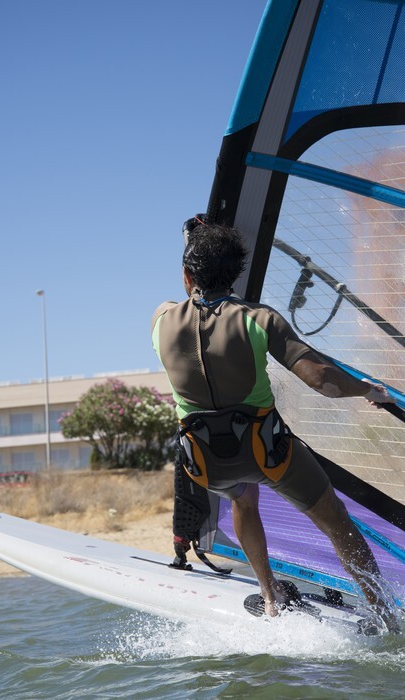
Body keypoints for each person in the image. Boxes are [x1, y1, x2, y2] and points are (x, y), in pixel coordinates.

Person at [151, 216, 401, 634]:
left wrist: (192, 261)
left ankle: (269, 596)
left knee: (242, 499)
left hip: (205, 464)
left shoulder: (161, 320)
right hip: (268, 453)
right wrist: (368, 390)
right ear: (236, 274)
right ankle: (385, 616)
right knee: (336, 520)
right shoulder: (259, 319)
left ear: (187, 275)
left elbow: (190, 300)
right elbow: (322, 380)